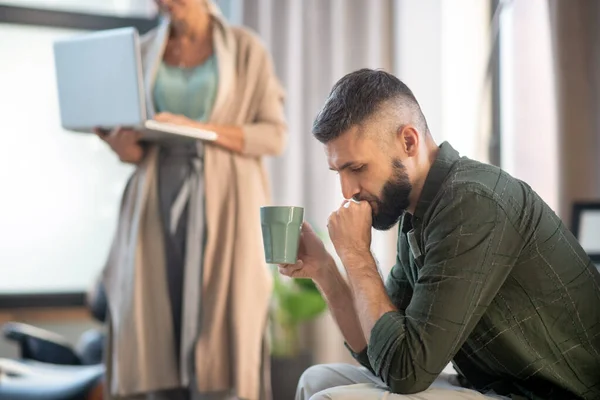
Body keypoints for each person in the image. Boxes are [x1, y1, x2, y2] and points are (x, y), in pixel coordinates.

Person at [279, 69, 600, 400]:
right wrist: (326, 273)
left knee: (329, 399)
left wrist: (357, 255)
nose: (348, 191)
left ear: (408, 141)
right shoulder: (417, 214)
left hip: (548, 395)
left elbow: (405, 373)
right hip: (491, 386)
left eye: (357, 168)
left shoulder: (472, 202)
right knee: (318, 379)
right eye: (339, 172)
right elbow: (381, 353)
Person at [95, 1, 287, 399]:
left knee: (225, 324)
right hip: (154, 198)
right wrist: (119, 143)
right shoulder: (143, 49)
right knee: (153, 327)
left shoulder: (245, 47)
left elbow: (273, 136)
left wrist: (197, 129)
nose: (166, 4)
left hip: (228, 200)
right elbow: (135, 152)